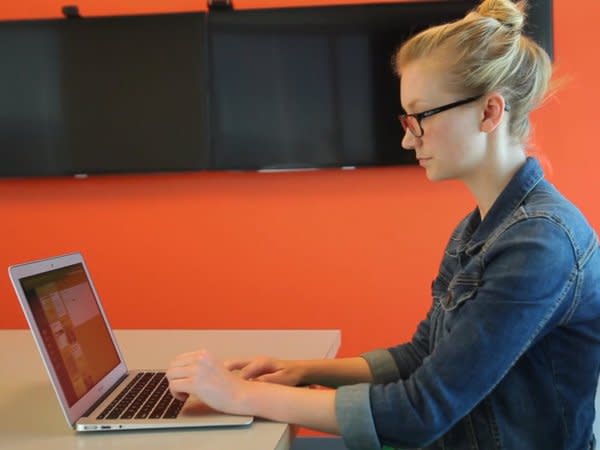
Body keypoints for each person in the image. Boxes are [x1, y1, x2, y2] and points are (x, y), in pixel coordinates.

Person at [166, 0, 600, 448]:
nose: (407, 137)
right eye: (406, 119)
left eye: (421, 117)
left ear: (489, 113)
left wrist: (240, 394)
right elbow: (422, 355)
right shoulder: (480, 230)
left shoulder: (540, 244)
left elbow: (418, 412)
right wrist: (301, 371)